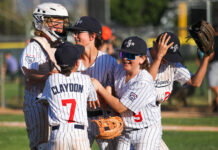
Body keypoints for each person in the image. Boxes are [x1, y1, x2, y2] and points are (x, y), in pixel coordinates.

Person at [91, 36, 162, 150]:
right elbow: (111, 83)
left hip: (146, 131)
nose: (125, 58)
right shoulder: (119, 70)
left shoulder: (143, 81)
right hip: (126, 130)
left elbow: (120, 107)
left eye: (130, 55)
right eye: (123, 54)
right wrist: (108, 90)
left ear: (142, 59)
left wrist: (99, 88)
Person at [147, 32, 214, 150]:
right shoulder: (141, 59)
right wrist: (158, 58)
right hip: (139, 119)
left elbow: (195, 82)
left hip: (154, 120)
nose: (168, 60)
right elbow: (144, 84)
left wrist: (206, 59)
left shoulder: (171, 64)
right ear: (156, 46)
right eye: (165, 55)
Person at [19, 2, 69, 150]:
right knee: (40, 145)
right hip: (37, 101)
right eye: (56, 22)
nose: (61, 26)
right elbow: (28, 72)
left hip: (55, 102)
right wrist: (47, 76)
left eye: (62, 22)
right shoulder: (34, 46)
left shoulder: (59, 45)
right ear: (43, 22)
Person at [68, 16, 118, 150]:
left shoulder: (109, 62)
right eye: (74, 33)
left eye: (79, 32)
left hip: (105, 119)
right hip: (80, 119)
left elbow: (112, 97)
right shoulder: (71, 63)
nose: (75, 36)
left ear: (92, 36)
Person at [37, 42, 98, 150]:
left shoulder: (52, 80)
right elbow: (93, 102)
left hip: (58, 134)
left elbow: (42, 100)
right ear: (77, 63)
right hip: (79, 134)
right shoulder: (85, 79)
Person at [208, 26, 218, 112]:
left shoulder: (213, 41)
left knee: (212, 86)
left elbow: (211, 55)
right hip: (214, 65)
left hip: (215, 65)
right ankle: (216, 106)